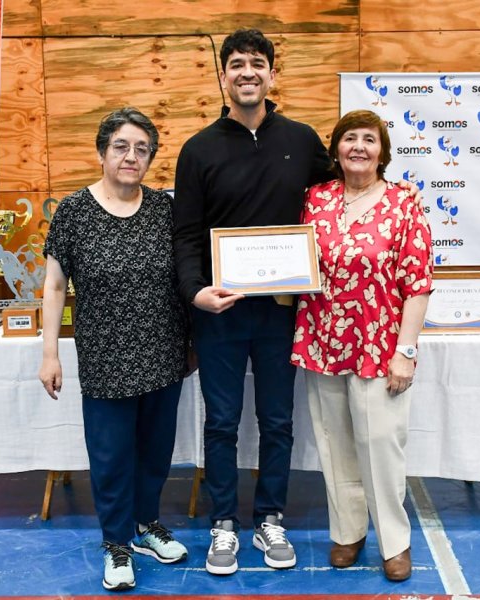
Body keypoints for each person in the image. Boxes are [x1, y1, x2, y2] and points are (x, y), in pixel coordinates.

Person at [172, 28, 333, 575]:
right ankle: (223, 524)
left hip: (281, 312)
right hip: (219, 312)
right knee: (221, 422)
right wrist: (195, 292)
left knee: (278, 420)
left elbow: (340, 195)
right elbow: (185, 235)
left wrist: (392, 194)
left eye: (257, 63)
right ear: (223, 76)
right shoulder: (198, 149)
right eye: (237, 63)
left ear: (271, 74)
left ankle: (270, 519)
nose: (247, 72)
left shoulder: (302, 140)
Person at [39, 108, 189, 592]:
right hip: (105, 358)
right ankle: (116, 543)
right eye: (121, 146)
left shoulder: (165, 210)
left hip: (164, 353)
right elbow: (55, 287)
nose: (131, 156)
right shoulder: (74, 212)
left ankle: (146, 525)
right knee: (111, 457)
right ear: (102, 151)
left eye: (142, 149)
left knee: (155, 452)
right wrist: (49, 353)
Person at [290, 109, 434, 582]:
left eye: (369, 140)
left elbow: (418, 285)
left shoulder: (403, 203)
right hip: (323, 341)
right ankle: (347, 533)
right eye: (349, 138)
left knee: (380, 446)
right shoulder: (315, 198)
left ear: (382, 153)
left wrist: (406, 352)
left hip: (379, 346)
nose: (358, 147)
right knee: (334, 445)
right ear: (335, 149)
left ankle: (394, 542)